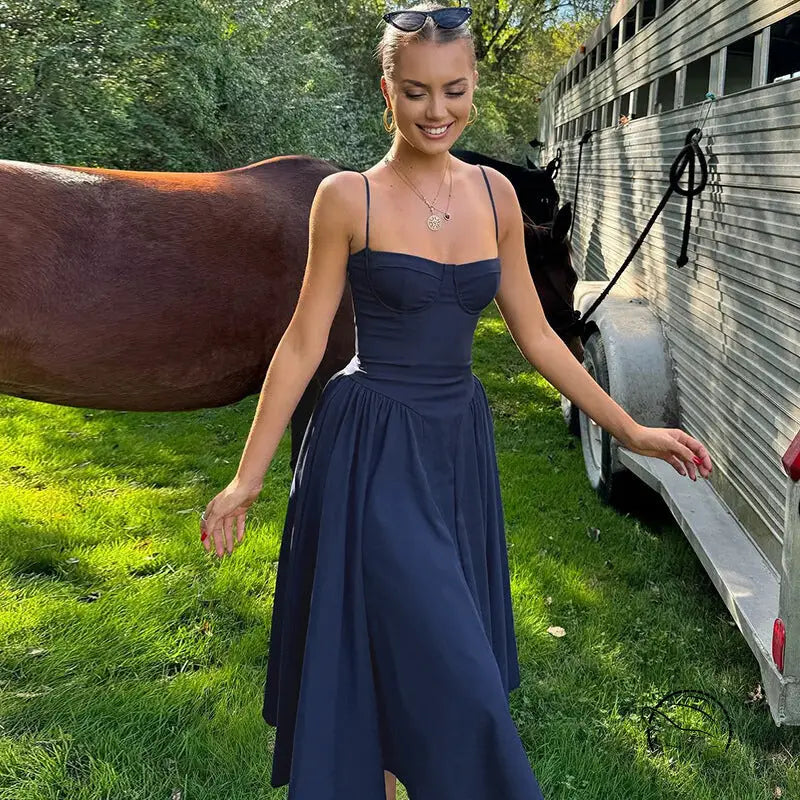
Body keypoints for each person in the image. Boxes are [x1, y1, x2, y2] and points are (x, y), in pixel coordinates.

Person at [199, 3, 713, 798]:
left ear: (474, 85)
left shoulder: (497, 197)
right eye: (415, 92)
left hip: (455, 448)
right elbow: (302, 344)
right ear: (387, 92)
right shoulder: (347, 199)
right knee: (455, 676)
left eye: (454, 90)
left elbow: (539, 338)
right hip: (369, 450)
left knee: (410, 660)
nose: (436, 110)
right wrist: (247, 477)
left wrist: (629, 429)